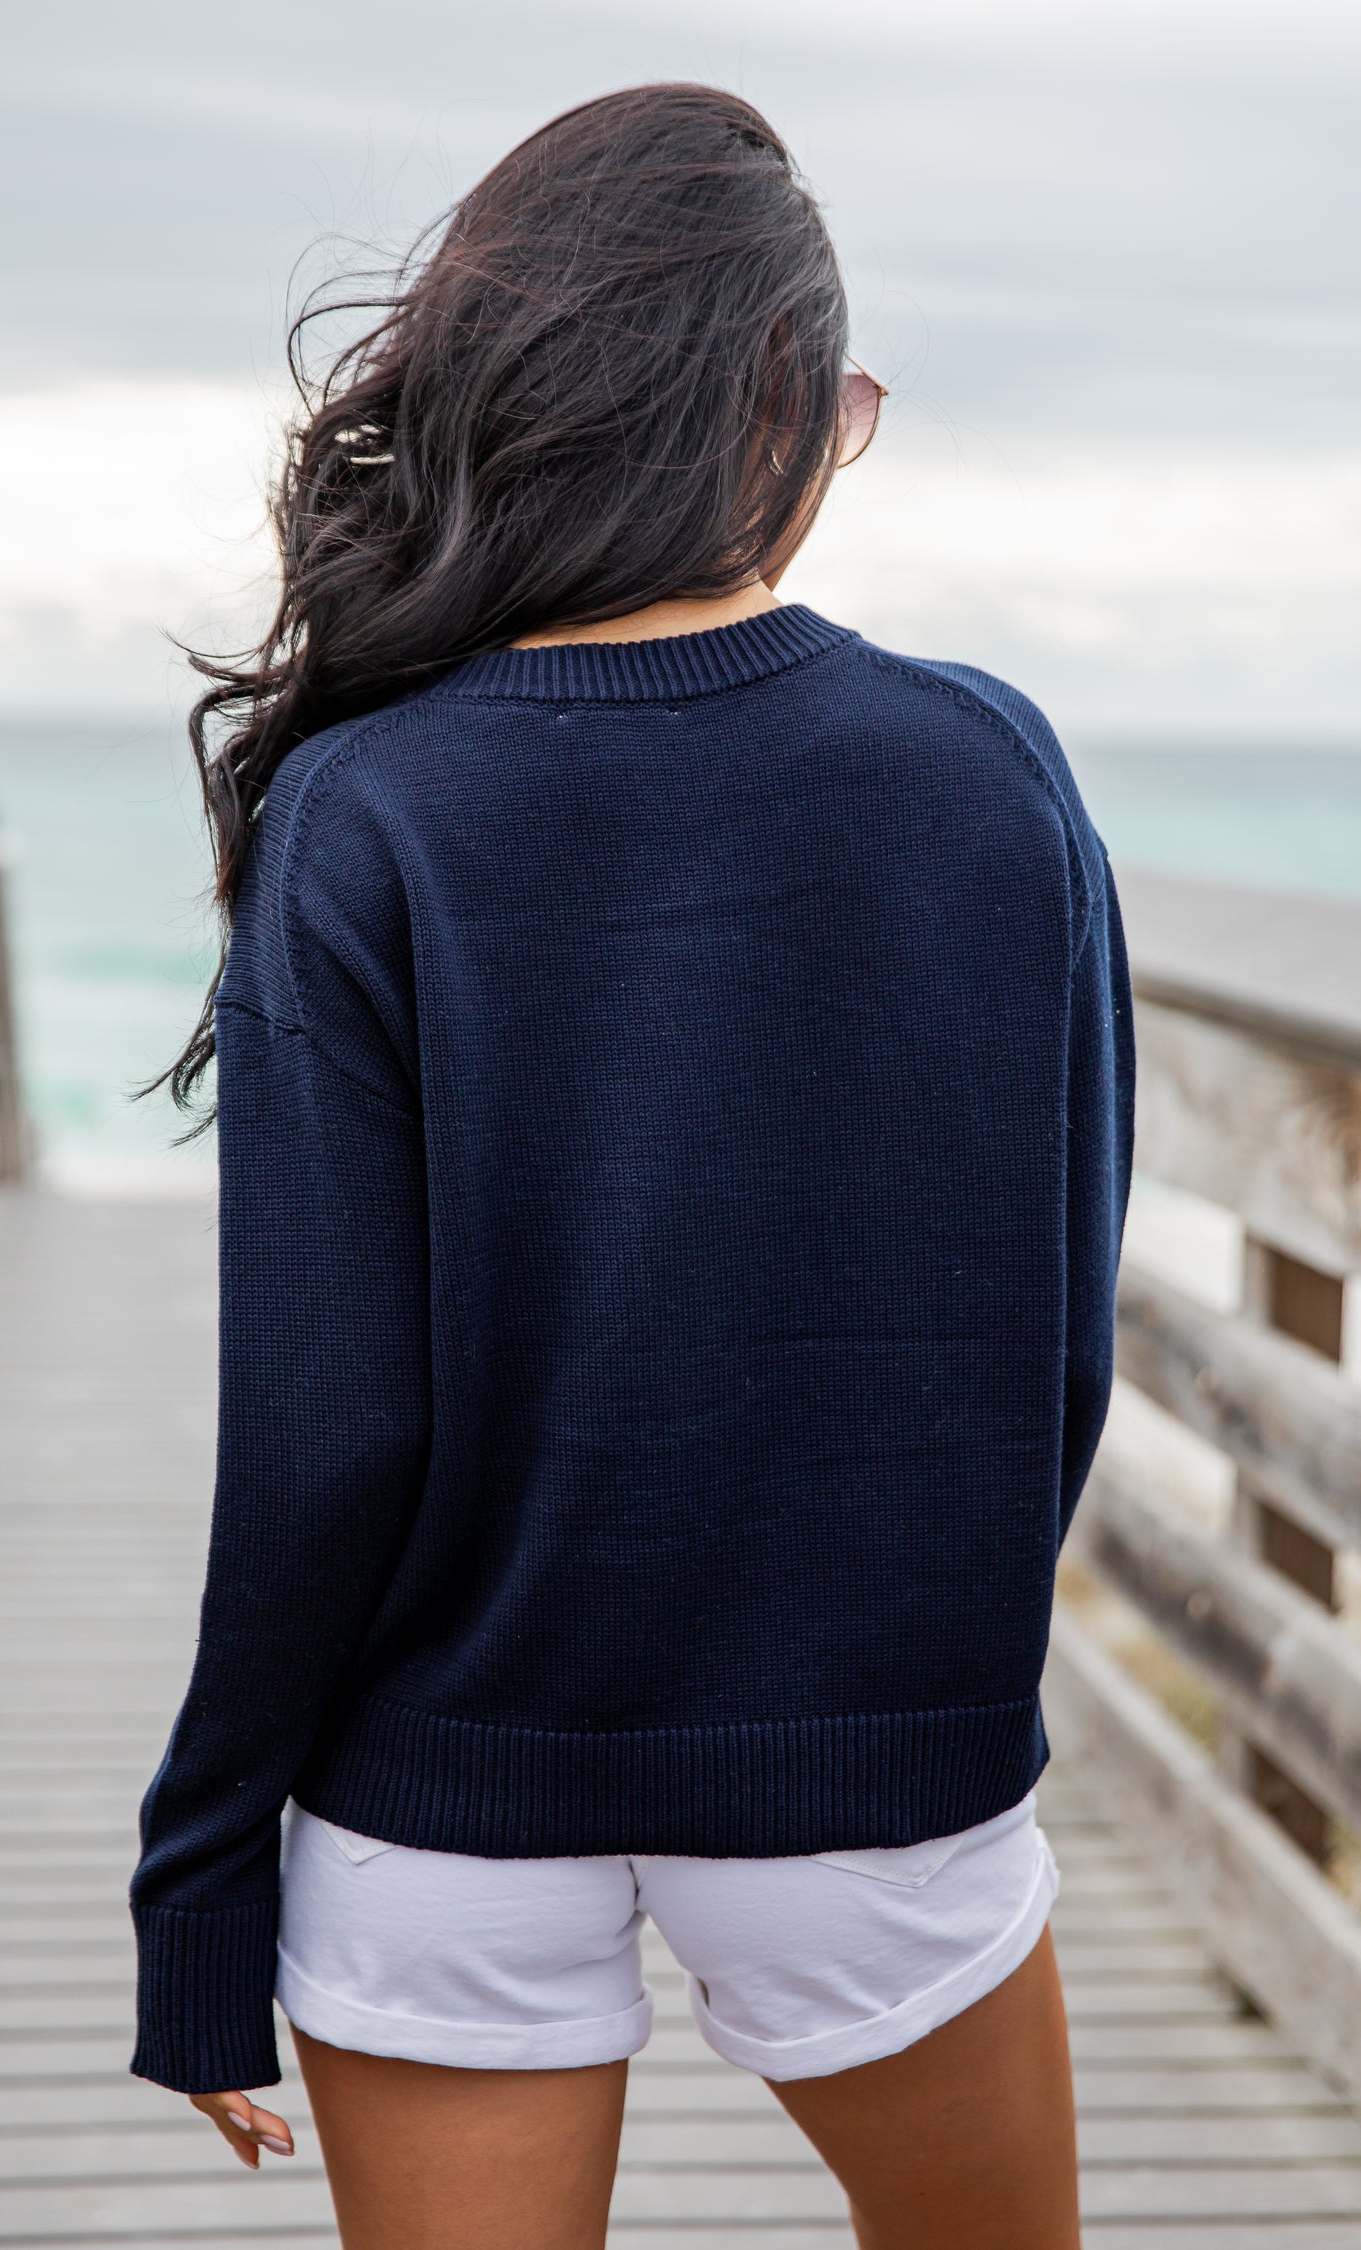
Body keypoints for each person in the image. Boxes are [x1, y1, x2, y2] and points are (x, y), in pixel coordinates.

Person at [130, 81, 1132, 2250]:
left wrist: (203, 1873)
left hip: (445, 1788)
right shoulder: (984, 773)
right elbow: (1056, 1321)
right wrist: (912, 1675)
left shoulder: (370, 809)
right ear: (774, 400)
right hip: (874, 1765)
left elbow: (323, 1433)